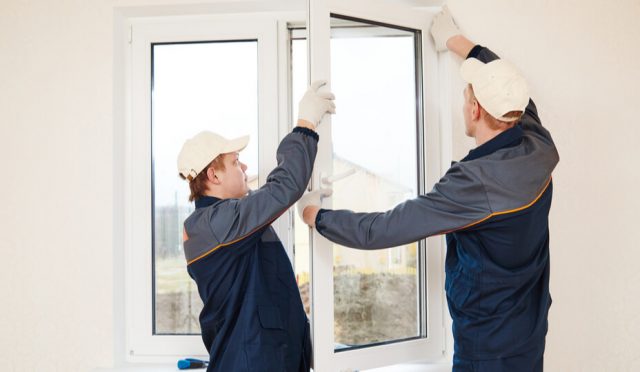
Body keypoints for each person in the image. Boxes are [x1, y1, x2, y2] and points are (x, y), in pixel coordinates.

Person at [297, 7, 559, 372]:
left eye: (467, 96)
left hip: (486, 350)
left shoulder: (474, 184)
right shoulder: (537, 143)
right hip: (528, 334)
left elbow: (383, 228)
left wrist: (316, 216)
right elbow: (513, 88)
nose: (463, 102)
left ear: (475, 111)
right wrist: (458, 42)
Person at [178, 81, 335, 372]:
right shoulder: (216, 223)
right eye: (236, 162)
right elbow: (283, 188)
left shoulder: (222, 224)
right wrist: (305, 125)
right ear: (213, 174)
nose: (246, 169)